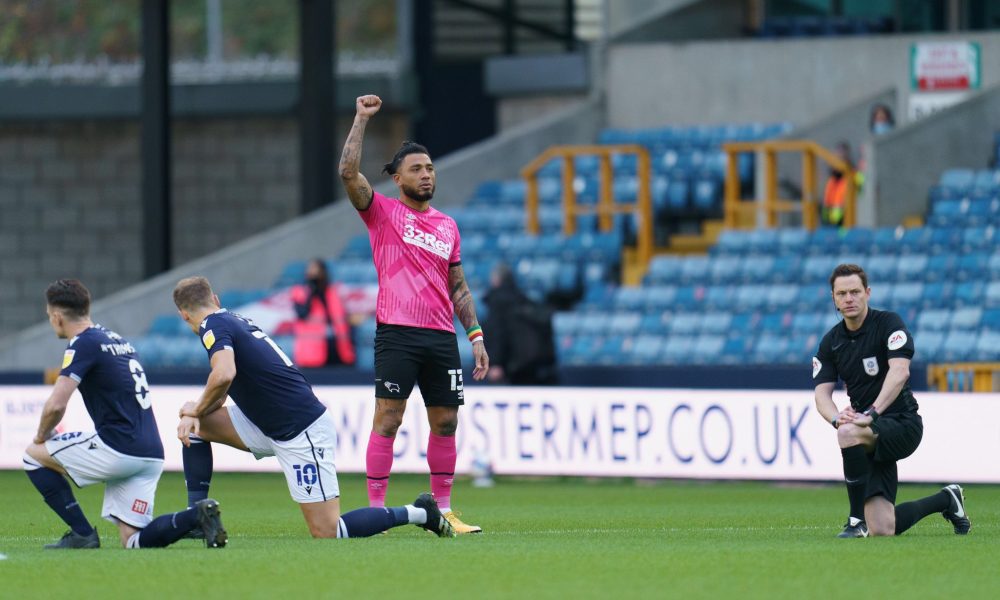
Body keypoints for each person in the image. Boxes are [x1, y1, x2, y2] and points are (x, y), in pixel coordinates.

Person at [172, 276, 454, 539]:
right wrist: (196, 410)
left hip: (300, 429)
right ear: (216, 299)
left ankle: (420, 512)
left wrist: (194, 410)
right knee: (198, 427)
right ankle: (198, 518)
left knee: (328, 530)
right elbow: (223, 386)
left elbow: (223, 375)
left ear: (183, 314)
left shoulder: (213, 326)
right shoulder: (230, 320)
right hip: (266, 423)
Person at [339, 94, 489, 534]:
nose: (427, 175)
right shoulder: (381, 213)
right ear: (398, 178)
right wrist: (361, 120)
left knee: (446, 420)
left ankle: (443, 510)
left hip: (442, 337)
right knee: (389, 418)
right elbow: (348, 172)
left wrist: (476, 336)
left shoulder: (447, 226)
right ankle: (376, 509)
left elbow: (458, 286)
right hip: (397, 333)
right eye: (417, 169)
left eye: (430, 169)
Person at [23, 279, 226, 550]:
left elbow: (56, 405)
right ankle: (196, 516)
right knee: (133, 540)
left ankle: (82, 533)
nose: (51, 321)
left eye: (50, 316)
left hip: (118, 449)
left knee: (32, 456)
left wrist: (41, 435)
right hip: (150, 453)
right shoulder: (117, 339)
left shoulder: (83, 343)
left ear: (58, 317)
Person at [813, 264, 971, 538]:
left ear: (868, 293)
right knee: (884, 529)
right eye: (842, 294)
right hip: (869, 431)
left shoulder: (888, 324)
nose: (848, 299)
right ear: (833, 298)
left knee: (848, 433)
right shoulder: (832, 342)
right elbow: (821, 394)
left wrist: (871, 414)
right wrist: (837, 417)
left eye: (854, 292)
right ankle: (948, 499)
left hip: (902, 423)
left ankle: (854, 521)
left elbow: (900, 372)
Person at [483, 263, 557, 385]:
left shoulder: (497, 301)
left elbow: (498, 333)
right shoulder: (523, 300)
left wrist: (495, 363)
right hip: (532, 367)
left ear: (496, 279)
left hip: (508, 369)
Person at [291, 258, 356, 367]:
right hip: (312, 351)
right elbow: (302, 313)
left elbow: (341, 317)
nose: (312, 271)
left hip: (337, 347)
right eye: (310, 268)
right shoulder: (300, 292)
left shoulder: (333, 292)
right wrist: (311, 291)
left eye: (315, 268)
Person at [821, 141, 855, 227]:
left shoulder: (852, 176)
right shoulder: (832, 180)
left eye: (840, 158)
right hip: (828, 224)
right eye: (835, 158)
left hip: (845, 225)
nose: (836, 161)